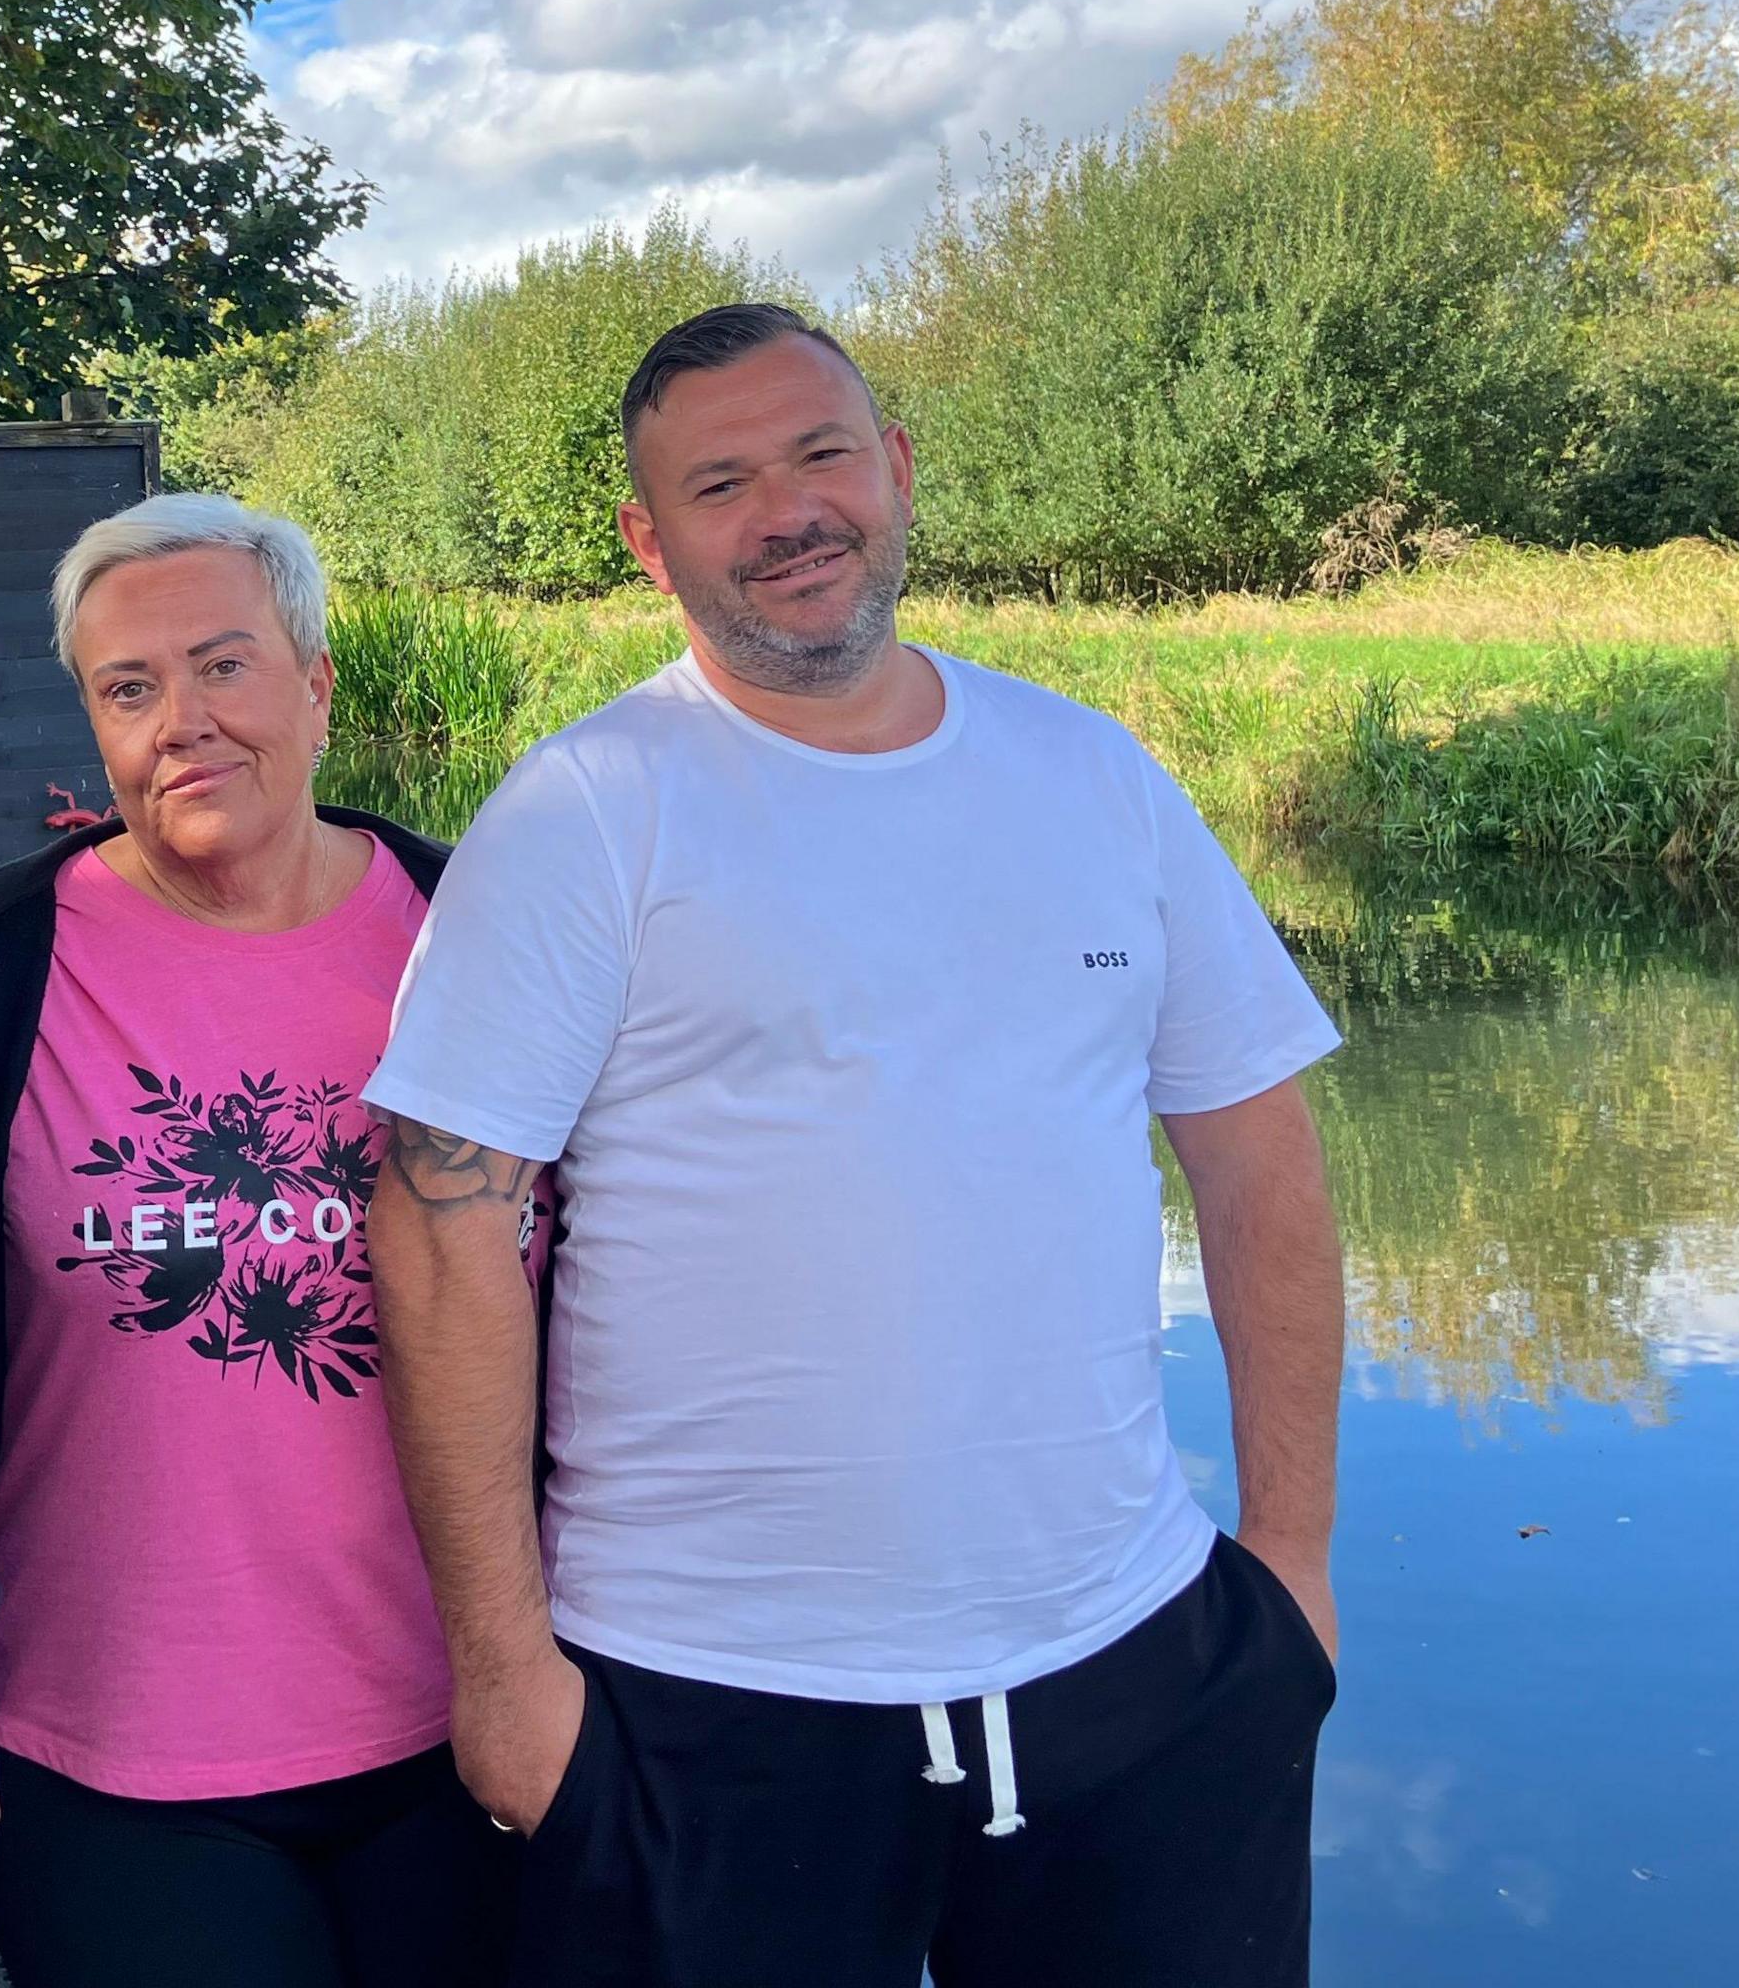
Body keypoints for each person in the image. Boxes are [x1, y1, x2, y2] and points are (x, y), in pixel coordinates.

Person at [360, 302, 1348, 1988]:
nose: (788, 512)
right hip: (702, 1711)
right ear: (649, 542)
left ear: (895, 467)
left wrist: (1292, 1577)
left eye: (822, 454)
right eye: (721, 482)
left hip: (1137, 1672)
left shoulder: (1095, 777)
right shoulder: (592, 809)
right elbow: (439, 1225)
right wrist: (507, 1672)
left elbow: (1262, 1164)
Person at [0, 495, 529, 1988]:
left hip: (471, 1726)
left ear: (319, 685)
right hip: (109, 1761)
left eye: (225, 667)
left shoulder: (487, 938)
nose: (181, 723)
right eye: (129, 690)